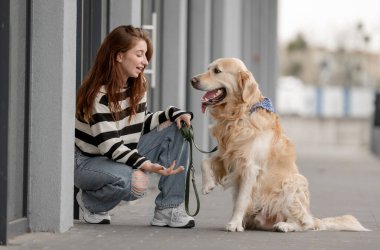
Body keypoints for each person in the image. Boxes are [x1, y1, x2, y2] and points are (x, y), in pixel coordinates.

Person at [74, 25, 194, 228]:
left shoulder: (137, 85)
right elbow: (110, 147)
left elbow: (138, 125)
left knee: (176, 127)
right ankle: (91, 204)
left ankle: (168, 208)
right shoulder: (98, 95)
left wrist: (172, 114)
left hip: (118, 154)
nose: (145, 62)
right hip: (87, 162)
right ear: (119, 56)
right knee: (136, 183)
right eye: (139, 55)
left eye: (146, 55)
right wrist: (146, 165)